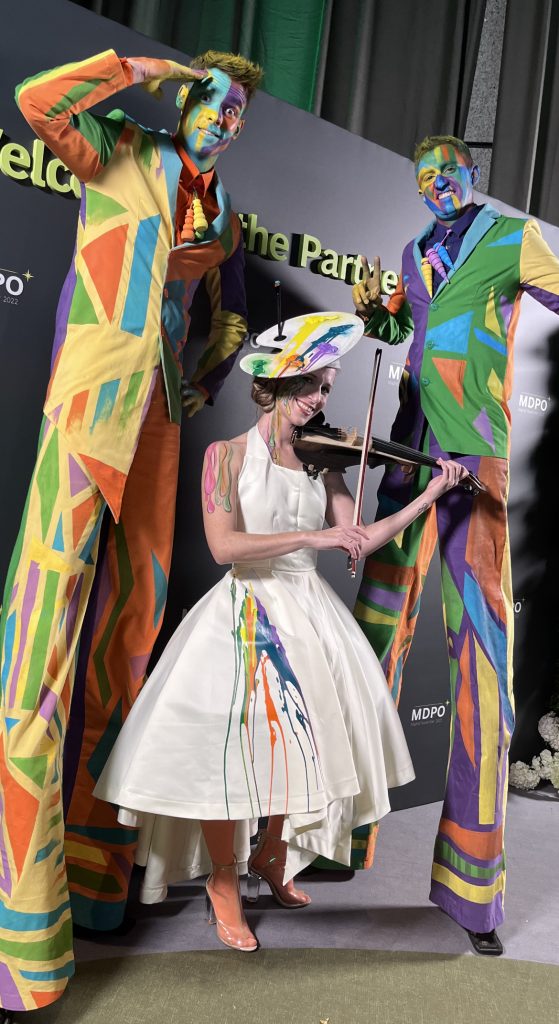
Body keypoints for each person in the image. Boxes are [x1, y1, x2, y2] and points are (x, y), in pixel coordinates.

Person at [0, 48, 261, 1013]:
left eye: (238, 115)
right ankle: (20, 929)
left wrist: (203, 372)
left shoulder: (222, 212)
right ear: (183, 101)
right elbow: (37, 100)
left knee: (129, 638)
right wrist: (137, 65)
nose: (226, 122)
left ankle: (100, 882)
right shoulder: (118, 144)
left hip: (156, 418)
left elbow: (224, 311)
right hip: (87, 401)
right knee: (39, 639)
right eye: (215, 105)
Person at [94, 314, 467, 952]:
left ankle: (271, 855)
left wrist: (428, 494)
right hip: (244, 613)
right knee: (226, 760)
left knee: (310, 750)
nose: (321, 400)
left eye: (325, 387)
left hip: (311, 615)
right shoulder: (224, 456)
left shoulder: (326, 461)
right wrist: (313, 535)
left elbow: (360, 538)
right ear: (276, 384)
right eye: (311, 386)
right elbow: (223, 546)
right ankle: (222, 882)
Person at [352, 134, 559, 955]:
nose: (436, 183)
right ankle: (328, 839)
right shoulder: (411, 250)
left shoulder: (510, 238)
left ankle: (474, 893)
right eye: (424, 175)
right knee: (365, 641)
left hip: (472, 462)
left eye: (449, 171)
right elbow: (399, 323)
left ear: (474, 174)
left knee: (478, 667)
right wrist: (374, 305)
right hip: (406, 453)